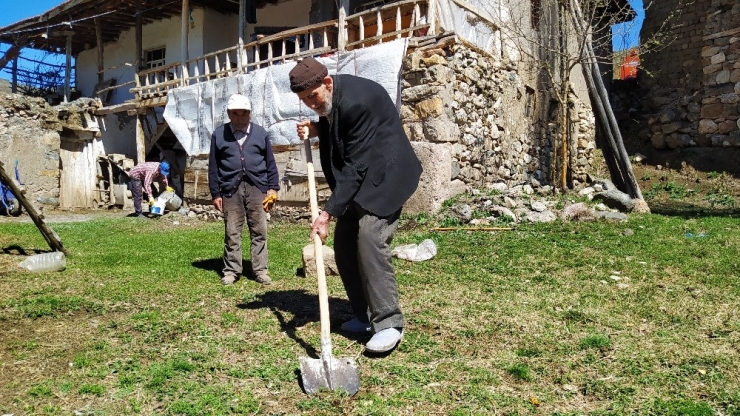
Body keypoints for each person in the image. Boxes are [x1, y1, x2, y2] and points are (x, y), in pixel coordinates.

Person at [289, 57, 422, 354]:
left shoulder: (357, 101)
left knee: (370, 240)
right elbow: (337, 129)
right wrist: (315, 128)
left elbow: (355, 165)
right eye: (303, 99)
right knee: (345, 245)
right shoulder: (331, 98)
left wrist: (326, 213)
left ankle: (389, 323)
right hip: (361, 179)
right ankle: (364, 316)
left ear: (328, 83)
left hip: (386, 176)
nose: (310, 103)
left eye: (313, 96)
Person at [208, 94, 280, 286]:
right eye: (235, 114)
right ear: (229, 114)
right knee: (232, 231)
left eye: (244, 114)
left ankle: (260, 270)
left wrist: (273, 188)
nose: (239, 118)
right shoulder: (219, 135)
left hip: (257, 188)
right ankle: (231, 270)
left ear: (250, 114)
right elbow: (213, 166)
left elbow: (270, 163)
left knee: (259, 230)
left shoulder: (260, 134)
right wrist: (216, 193)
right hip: (230, 189)